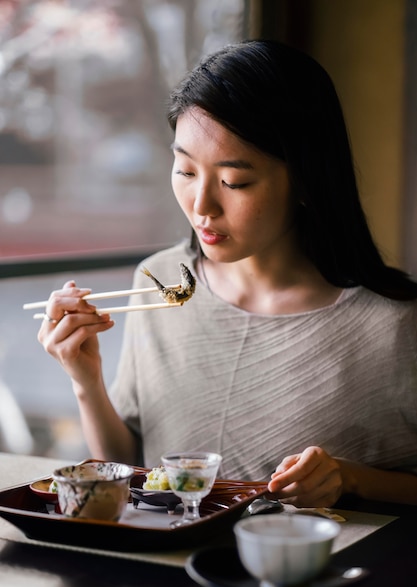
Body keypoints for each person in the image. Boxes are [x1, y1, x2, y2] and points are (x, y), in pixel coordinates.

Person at [37, 39, 417, 508]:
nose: (201, 207)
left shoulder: (394, 324)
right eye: (185, 171)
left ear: (305, 180)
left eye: (234, 182)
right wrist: (85, 379)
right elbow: (131, 474)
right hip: (163, 573)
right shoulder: (158, 281)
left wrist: (351, 479)